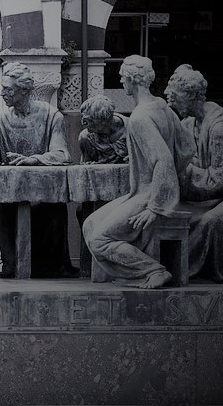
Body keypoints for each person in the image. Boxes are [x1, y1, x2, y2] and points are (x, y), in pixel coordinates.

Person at [83, 55, 194, 289]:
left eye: (122, 77)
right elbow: (187, 149)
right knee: (90, 224)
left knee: (99, 240)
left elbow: (162, 160)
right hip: (144, 191)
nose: (121, 82)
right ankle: (126, 274)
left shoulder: (140, 118)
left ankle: (153, 271)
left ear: (132, 80)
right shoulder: (162, 106)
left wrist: (155, 207)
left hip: (149, 195)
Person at [165, 65, 223, 281]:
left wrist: (184, 171)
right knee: (169, 212)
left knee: (211, 221)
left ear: (191, 95)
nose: (171, 102)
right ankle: (168, 265)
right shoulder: (188, 123)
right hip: (208, 189)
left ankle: (179, 270)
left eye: (175, 97)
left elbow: (220, 180)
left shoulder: (220, 128)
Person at [0, 62, 76, 278]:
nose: (2, 93)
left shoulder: (51, 116)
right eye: (3, 88)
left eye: (8, 89)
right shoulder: (1, 121)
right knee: (3, 209)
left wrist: (34, 160)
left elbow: (62, 154)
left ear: (24, 90)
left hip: (45, 191)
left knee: (51, 210)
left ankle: (50, 268)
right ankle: (12, 265)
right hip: (13, 191)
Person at [78, 94, 128, 164]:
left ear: (104, 120)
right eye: (83, 119)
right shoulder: (86, 137)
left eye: (90, 120)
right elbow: (85, 166)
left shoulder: (130, 130)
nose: (84, 123)